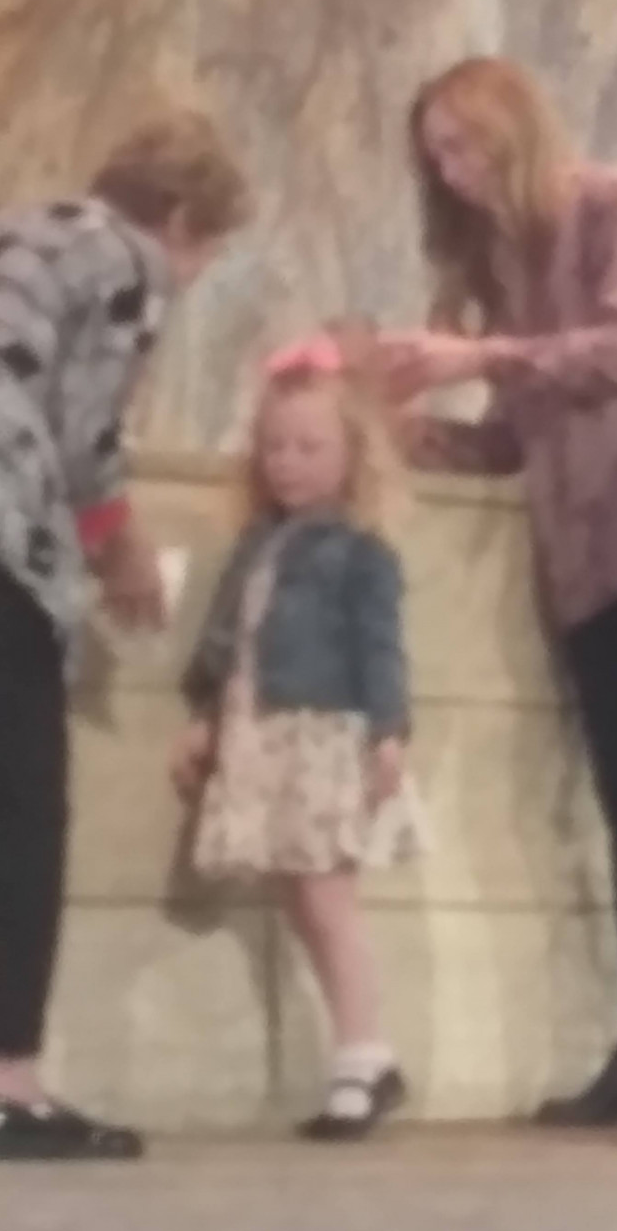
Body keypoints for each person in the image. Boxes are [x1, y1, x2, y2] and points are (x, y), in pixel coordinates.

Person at [380, 57, 617, 1129]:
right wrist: (422, 436)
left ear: (515, 126)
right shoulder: (502, 262)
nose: (454, 171)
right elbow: (520, 432)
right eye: (436, 156)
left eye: (465, 143)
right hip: (586, 547)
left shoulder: (615, 206)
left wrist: (478, 353)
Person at [0, 111, 251, 1161]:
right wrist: (120, 548)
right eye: (209, 252)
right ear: (182, 219)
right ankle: (10, 1082)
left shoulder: (29, 229)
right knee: (21, 807)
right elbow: (83, 431)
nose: (194, 276)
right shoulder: (127, 260)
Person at [173, 341, 419, 1141]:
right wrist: (205, 720)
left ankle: (363, 1055)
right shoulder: (257, 544)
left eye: (310, 447)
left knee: (327, 896)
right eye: (275, 446)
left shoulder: (361, 550)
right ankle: (365, 1054)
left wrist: (389, 733)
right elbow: (224, 642)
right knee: (298, 895)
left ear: (352, 455)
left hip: (322, 735)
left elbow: (382, 649)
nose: (287, 462)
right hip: (263, 733)